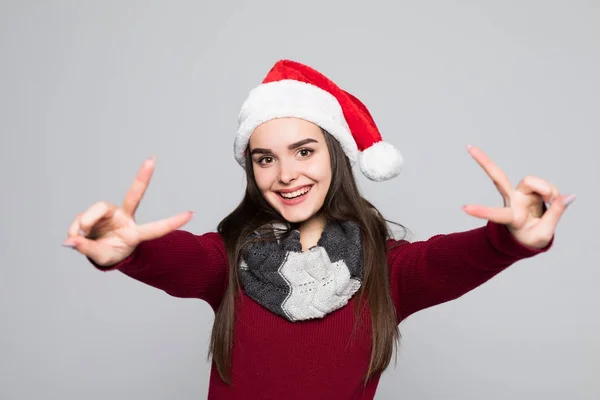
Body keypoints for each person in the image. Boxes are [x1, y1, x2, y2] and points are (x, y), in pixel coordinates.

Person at [63, 60, 575, 399]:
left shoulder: (387, 269)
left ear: (336, 156)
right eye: (266, 158)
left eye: (304, 151)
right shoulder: (228, 261)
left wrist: (511, 239)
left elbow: (455, 258)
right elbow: (174, 259)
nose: (286, 174)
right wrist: (126, 251)